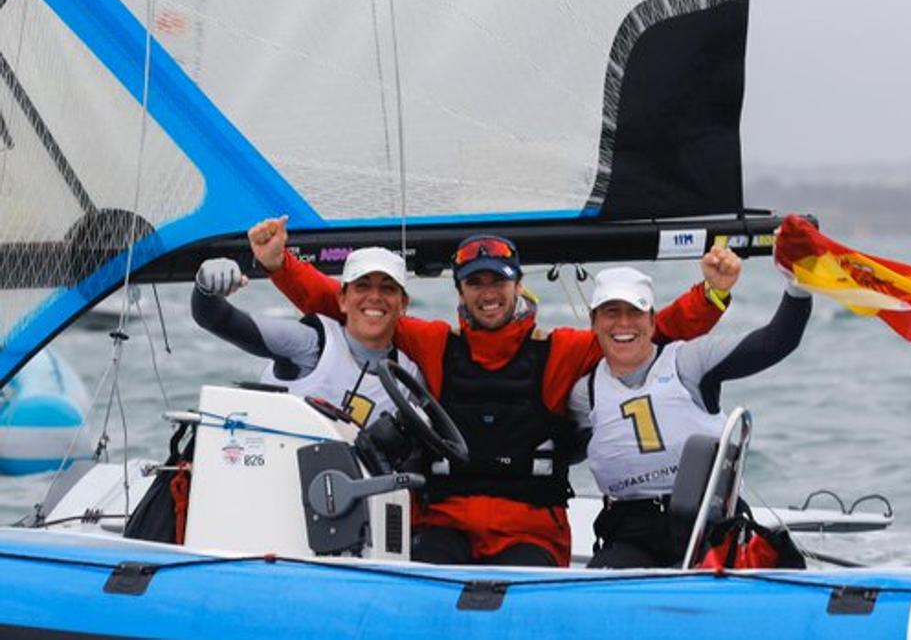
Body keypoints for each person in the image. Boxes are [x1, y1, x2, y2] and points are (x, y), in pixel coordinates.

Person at [248, 215, 740, 567]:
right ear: (459, 291)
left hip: (532, 528)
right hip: (445, 522)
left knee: (525, 590)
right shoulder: (435, 342)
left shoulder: (562, 350)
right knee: (423, 575)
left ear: (517, 284)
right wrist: (279, 265)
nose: (488, 292)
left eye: (498, 281)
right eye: (475, 282)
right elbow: (353, 311)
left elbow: (652, 333)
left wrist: (711, 293)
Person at [569, 263, 811, 568]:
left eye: (635, 312)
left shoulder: (688, 362)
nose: (624, 324)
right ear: (593, 322)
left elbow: (774, 343)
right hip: (630, 532)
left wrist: (798, 285)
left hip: (707, 522)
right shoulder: (583, 394)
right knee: (599, 589)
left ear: (653, 320)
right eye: (611, 313)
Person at [191, 246, 421, 428]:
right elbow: (216, 319)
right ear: (342, 299)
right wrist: (205, 287)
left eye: (388, 289)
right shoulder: (310, 344)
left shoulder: (409, 376)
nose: (375, 297)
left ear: (403, 304)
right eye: (362, 286)